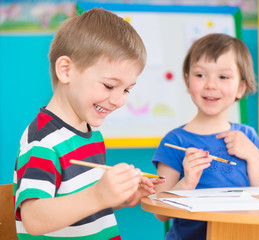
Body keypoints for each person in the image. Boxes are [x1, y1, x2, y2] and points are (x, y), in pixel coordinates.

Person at [13, 8, 164, 239]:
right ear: (66, 70)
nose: (118, 100)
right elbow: (33, 218)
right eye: (109, 86)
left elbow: (77, 208)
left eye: (126, 90)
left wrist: (117, 197)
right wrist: (99, 196)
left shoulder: (91, 134)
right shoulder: (43, 140)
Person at [152, 33, 259, 240]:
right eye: (200, 75)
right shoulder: (174, 141)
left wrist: (253, 155)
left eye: (223, 77)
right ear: (187, 82)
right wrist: (187, 182)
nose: (211, 85)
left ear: (241, 87)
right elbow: (160, 211)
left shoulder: (247, 135)